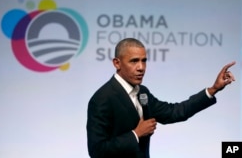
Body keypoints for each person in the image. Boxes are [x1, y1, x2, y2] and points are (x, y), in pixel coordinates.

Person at [86, 38, 235, 158]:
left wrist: (213, 89)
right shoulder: (102, 99)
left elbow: (175, 112)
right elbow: (97, 151)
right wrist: (135, 134)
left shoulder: (142, 92)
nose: (141, 67)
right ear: (117, 63)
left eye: (144, 60)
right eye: (134, 61)